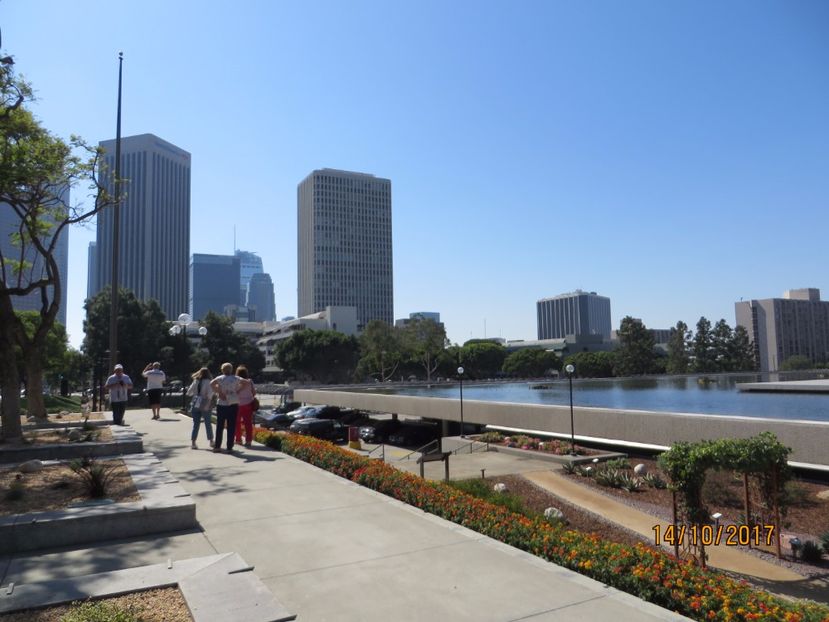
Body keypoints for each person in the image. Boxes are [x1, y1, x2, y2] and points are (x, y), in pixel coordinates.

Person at [210, 362, 244, 453]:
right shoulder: (235, 378)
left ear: (222, 370)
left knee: (220, 426)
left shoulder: (220, 378)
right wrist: (237, 390)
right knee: (231, 426)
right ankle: (229, 447)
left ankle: (217, 446)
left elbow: (211, 384)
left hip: (221, 404)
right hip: (232, 404)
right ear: (231, 370)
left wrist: (219, 392)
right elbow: (245, 382)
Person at [186, 367, 214, 449]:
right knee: (208, 423)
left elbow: (189, 393)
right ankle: (211, 441)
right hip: (205, 403)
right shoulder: (209, 382)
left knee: (196, 424)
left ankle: (193, 442)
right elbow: (210, 395)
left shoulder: (195, 381)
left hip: (195, 402)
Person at [234, 365, 257, 448]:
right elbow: (254, 392)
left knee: (237, 423)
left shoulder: (235, 382)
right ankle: (248, 441)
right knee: (248, 423)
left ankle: (238, 439)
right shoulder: (249, 381)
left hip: (237, 404)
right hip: (248, 404)